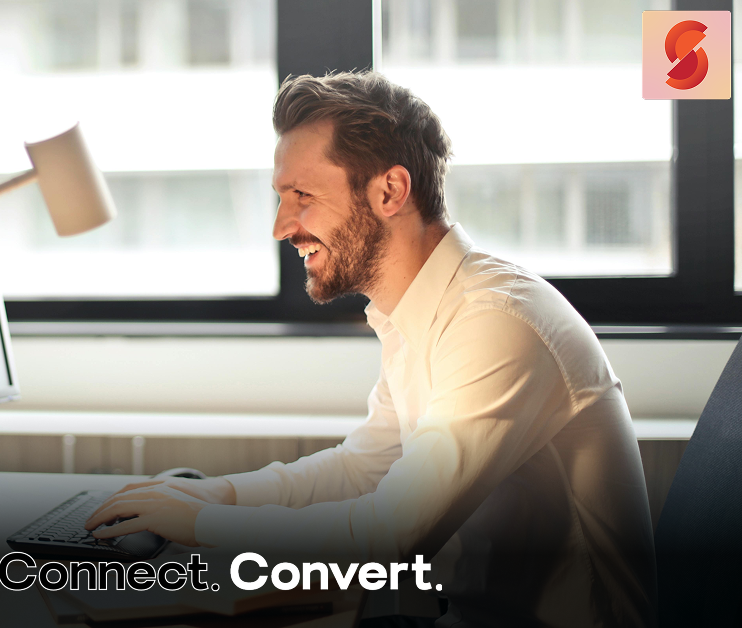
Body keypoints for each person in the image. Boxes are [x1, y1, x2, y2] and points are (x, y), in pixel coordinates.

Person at [84, 71, 657, 627]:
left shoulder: (496, 323)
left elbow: (393, 533)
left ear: (390, 191)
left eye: (301, 195)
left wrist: (203, 522)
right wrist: (215, 495)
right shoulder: (419, 311)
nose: (282, 226)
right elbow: (362, 470)